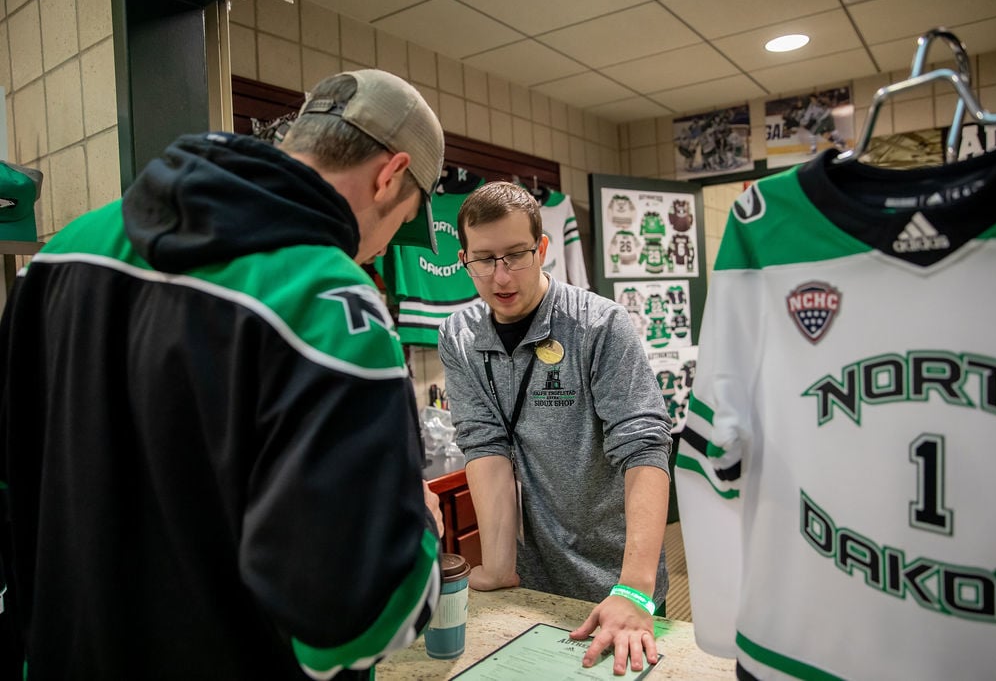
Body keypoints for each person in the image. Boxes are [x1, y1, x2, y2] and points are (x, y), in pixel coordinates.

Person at [0, 69, 446, 680]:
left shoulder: (61, 253)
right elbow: (353, 616)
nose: (381, 247)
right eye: (404, 219)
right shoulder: (326, 300)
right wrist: (413, 516)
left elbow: (14, 487)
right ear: (390, 175)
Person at [437, 182, 673, 676]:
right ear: (464, 258)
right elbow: (484, 445)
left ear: (543, 249)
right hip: (534, 573)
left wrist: (633, 589)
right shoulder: (458, 336)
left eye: (516, 255)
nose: (500, 276)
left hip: (619, 572)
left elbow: (645, 448)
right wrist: (500, 567)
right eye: (483, 259)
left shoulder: (599, 325)